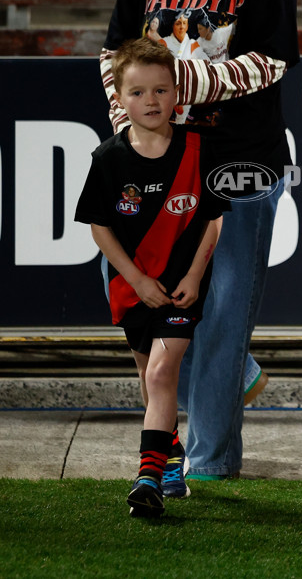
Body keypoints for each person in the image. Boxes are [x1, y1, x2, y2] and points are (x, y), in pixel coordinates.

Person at [99, 0, 299, 488]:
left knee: (219, 317)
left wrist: (191, 81)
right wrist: (129, 127)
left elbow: (275, 61)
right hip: (160, 163)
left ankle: (208, 463)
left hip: (238, 164)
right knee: (133, 298)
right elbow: (114, 53)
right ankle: (220, 392)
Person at [75, 39, 226, 517]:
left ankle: (148, 479)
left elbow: (214, 219)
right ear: (119, 99)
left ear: (176, 93)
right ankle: (171, 454)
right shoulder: (108, 159)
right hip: (132, 287)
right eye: (138, 92)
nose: (151, 100)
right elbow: (100, 227)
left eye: (161, 90)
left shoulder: (199, 149)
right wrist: (137, 280)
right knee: (149, 377)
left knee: (162, 372)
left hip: (182, 288)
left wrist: (196, 274)